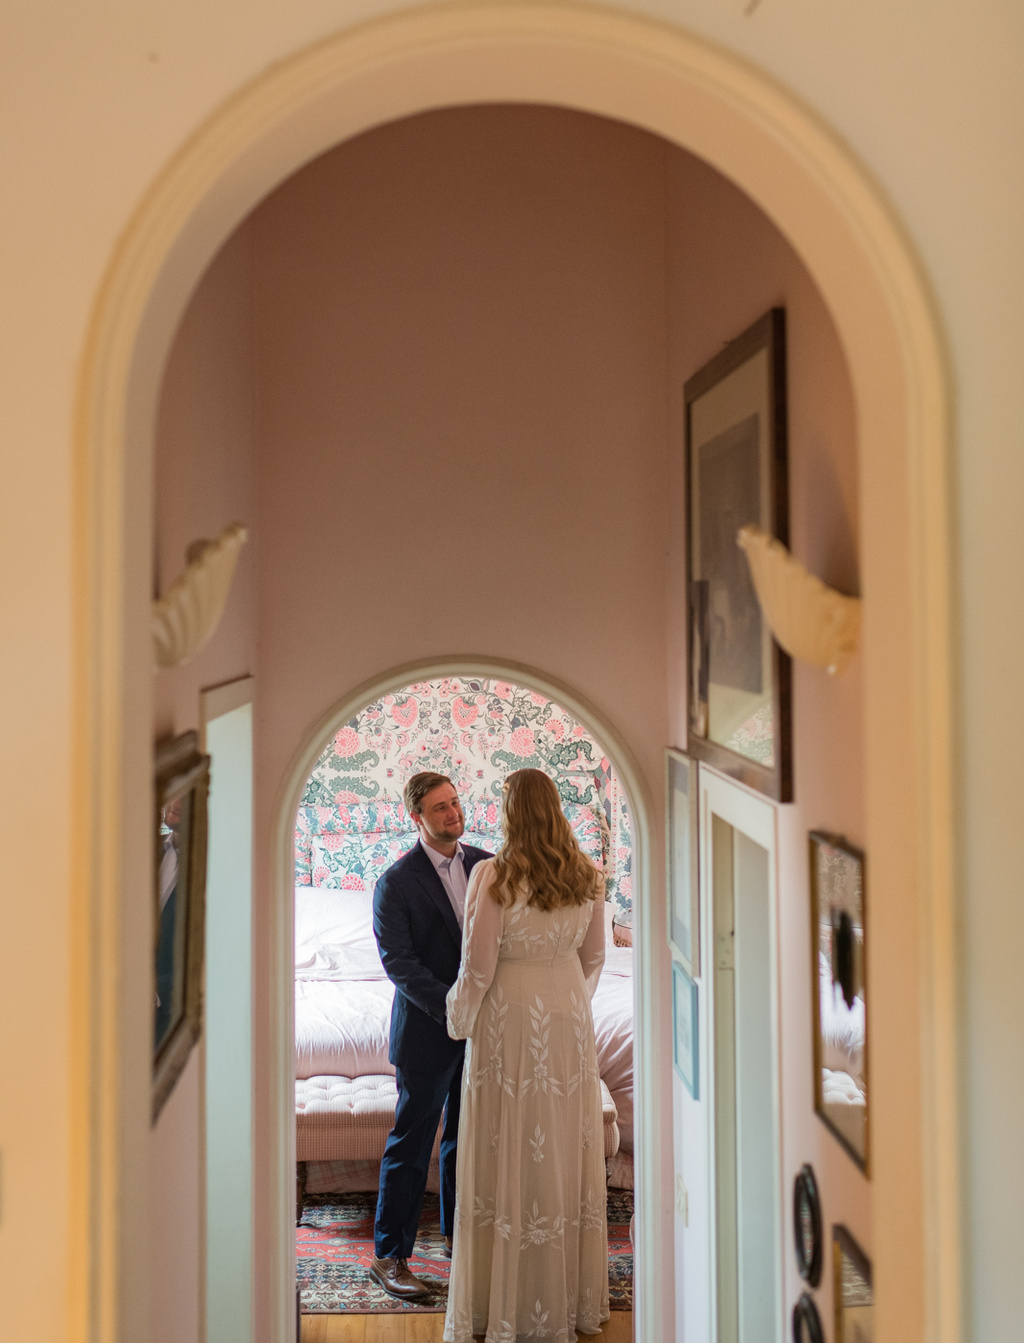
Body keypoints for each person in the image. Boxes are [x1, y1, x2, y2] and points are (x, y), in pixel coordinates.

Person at [444, 768, 610, 1343]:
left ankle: (501, 1304)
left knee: (505, 1139)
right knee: (562, 1141)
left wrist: (457, 1018)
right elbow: (594, 958)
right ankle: (566, 1300)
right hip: (566, 1017)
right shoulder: (588, 872)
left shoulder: (493, 875)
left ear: (511, 812)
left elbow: (478, 967)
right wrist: (569, 1006)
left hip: (509, 1021)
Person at [370, 772, 493, 1300]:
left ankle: (459, 1239)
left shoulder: (489, 865)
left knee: (467, 1142)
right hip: (427, 1031)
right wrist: (453, 1007)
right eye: (440, 807)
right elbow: (399, 962)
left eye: (455, 802)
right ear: (415, 817)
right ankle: (388, 1257)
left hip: (487, 1029)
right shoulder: (395, 883)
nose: (453, 813)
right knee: (411, 1144)